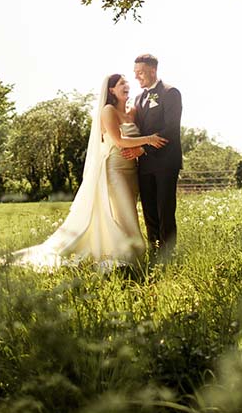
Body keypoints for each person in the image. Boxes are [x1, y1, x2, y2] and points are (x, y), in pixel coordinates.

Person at [10, 74, 166, 268]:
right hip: (115, 170)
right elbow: (119, 142)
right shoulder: (108, 111)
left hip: (132, 171)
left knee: (128, 212)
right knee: (128, 214)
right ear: (111, 90)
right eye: (121, 83)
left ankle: (129, 251)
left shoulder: (132, 111)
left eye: (127, 82)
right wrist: (149, 139)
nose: (126, 85)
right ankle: (135, 255)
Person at [125, 53, 182, 259]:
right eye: (135, 73)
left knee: (165, 210)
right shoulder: (138, 98)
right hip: (145, 165)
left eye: (140, 73)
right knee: (149, 210)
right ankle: (154, 251)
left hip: (166, 162)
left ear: (152, 70)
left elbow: (171, 129)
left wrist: (144, 149)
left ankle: (168, 256)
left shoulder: (170, 92)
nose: (137, 77)